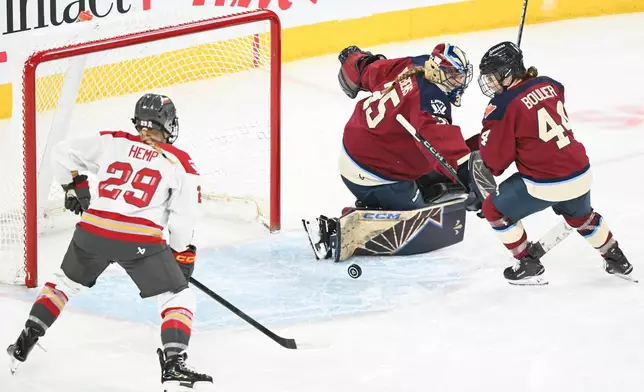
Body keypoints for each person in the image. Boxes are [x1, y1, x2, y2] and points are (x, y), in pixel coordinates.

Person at [7, 93, 213, 389]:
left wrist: (73, 186)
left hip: (92, 231)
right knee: (178, 297)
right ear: (168, 123)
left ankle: (25, 340)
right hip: (139, 240)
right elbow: (184, 220)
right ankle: (173, 364)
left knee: (63, 284)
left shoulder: (112, 141)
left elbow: (60, 152)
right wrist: (182, 255)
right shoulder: (181, 162)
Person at [303, 43, 491, 261]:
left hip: (361, 144)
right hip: (371, 172)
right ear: (439, 73)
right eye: (454, 76)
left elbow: (372, 70)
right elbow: (443, 145)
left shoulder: (417, 64)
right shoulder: (431, 102)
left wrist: (355, 59)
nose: (459, 82)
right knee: (423, 220)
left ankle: (382, 199)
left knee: (441, 184)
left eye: (461, 75)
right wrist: (473, 183)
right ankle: (338, 230)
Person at [476, 41, 633, 285]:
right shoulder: (549, 84)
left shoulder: (502, 106)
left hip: (546, 183)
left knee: (493, 210)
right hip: (580, 172)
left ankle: (526, 262)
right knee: (582, 217)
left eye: (494, 76)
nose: (491, 82)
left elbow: (496, 161)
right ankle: (615, 257)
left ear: (507, 72)